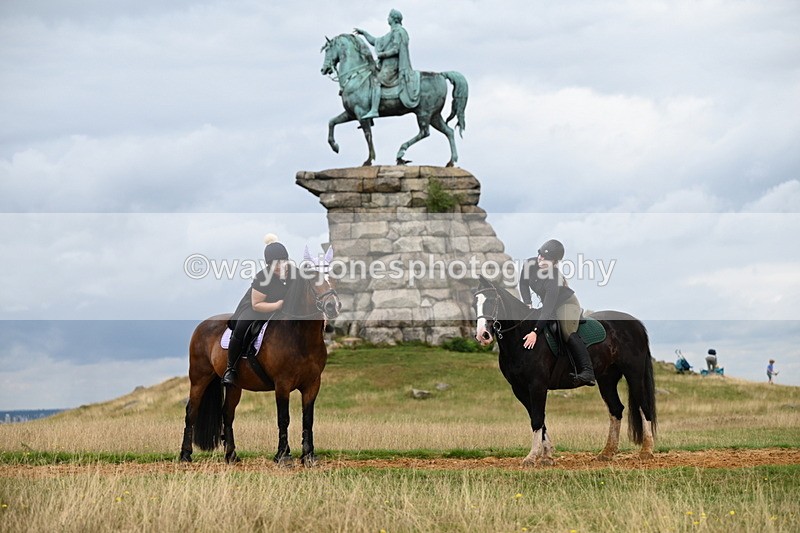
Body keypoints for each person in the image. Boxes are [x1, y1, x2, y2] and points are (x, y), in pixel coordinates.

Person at [519, 239, 596, 387]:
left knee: (567, 331)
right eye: (540, 255)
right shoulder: (530, 264)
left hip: (566, 304)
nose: (540, 260)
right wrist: (527, 302)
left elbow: (547, 310)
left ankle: (587, 371)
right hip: (550, 304)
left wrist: (535, 332)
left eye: (546, 259)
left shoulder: (553, 278)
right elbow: (523, 282)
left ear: (554, 262)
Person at [222, 234, 291, 387]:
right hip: (255, 307)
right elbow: (257, 304)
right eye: (275, 264)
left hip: (282, 308)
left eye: (283, 261)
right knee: (241, 327)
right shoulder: (263, 277)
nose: (280, 266)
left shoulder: (295, 273)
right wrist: (278, 305)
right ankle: (231, 369)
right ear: (268, 265)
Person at [354, 8, 421, 118]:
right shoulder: (391, 33)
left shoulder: (399, 32)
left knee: (376, 81)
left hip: (393, 66)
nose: (387, 19)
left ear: (394, 19)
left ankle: (374, 110)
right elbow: (375, 41)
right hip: (386, 65)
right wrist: (364, 33)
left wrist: (382, 55)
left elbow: (396, 50)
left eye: (389, 17)